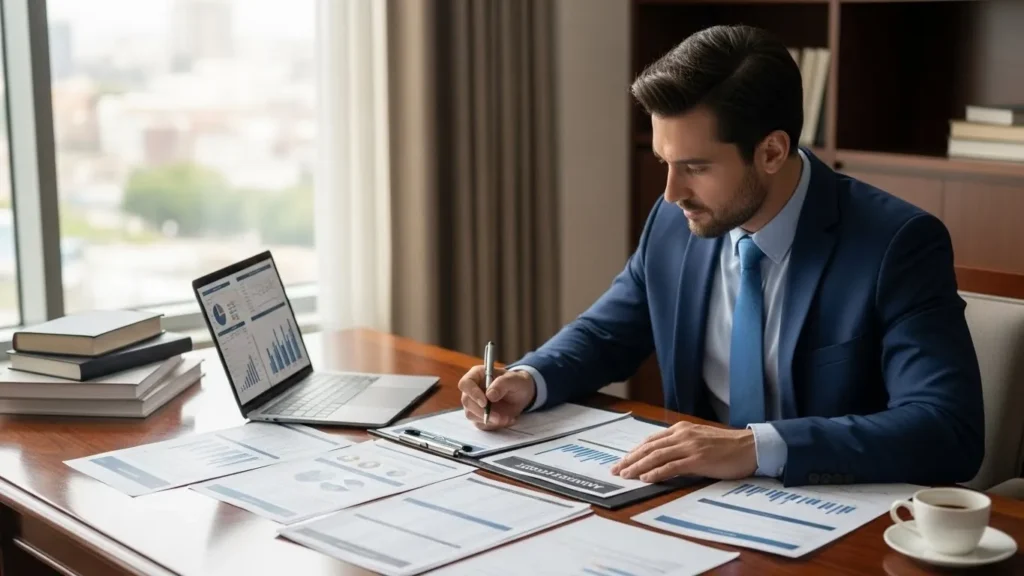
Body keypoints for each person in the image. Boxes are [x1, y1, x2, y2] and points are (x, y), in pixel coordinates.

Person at [458, 24, 984, 487]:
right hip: (695, 502)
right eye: (665, 160)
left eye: (695, 166)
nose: (670, 193)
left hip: (831, 512)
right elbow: (606, 333)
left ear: (772, 151)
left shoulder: (897, 244)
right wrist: (528, 380)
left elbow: (947, 428)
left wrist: (755, 447)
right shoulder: (674, 222)